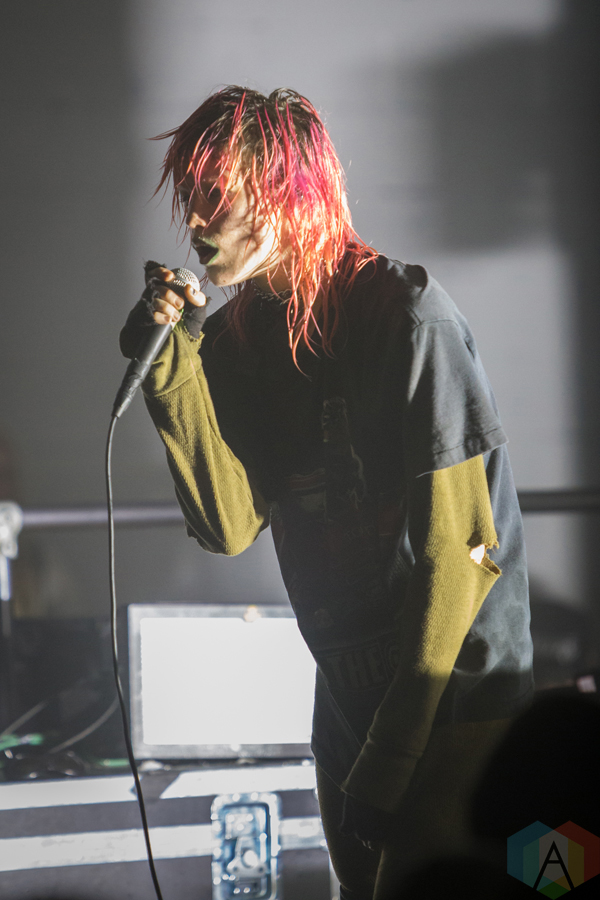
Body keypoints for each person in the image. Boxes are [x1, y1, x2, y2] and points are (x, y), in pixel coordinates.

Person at [120, 86, 534, 899]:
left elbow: (463, 553)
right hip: (345, 689)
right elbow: (229, 524)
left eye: (216, 197)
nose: (195, 221)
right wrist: (169, 368)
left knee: (545, 875)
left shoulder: (406, 316)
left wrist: (392, 756)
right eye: (190, 197)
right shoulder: (237, 341)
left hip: (457, 699)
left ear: (283, 195)